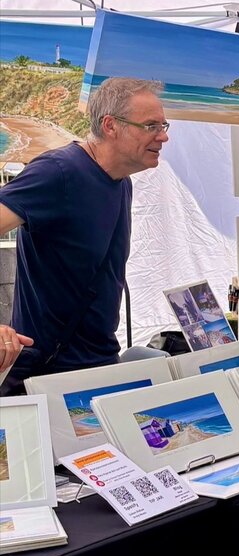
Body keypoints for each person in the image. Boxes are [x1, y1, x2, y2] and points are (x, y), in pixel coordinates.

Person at [0, 77, 169, 396]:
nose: (163, 136)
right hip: (48, 378)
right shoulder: (58, 173)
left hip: (99, 367)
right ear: (110, 125)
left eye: (163, 125)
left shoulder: (122, 182)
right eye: (151, 126)